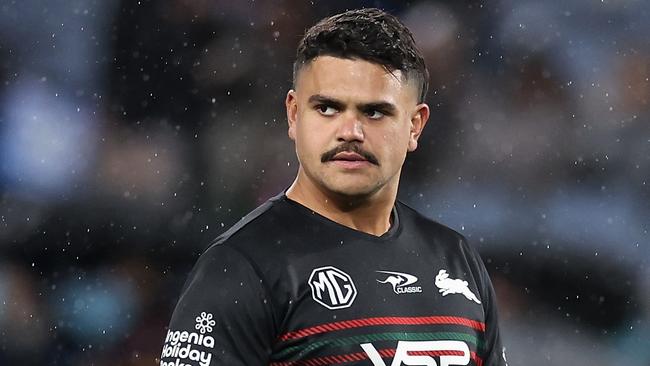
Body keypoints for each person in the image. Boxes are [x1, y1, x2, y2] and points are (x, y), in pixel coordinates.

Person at [159, 8, 506, 366]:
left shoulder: (457, 261)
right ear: (294, 115)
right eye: (327, 108)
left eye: (374, 113)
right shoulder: (241, 268)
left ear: (415, 126)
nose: (349, 132)